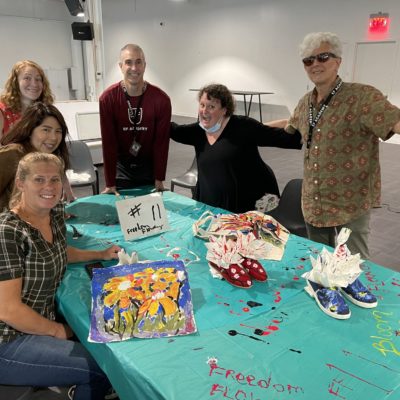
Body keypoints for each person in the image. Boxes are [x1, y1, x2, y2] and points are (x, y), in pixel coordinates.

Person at [286, 32, 400, 316]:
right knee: (322, 258)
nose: (315, 64)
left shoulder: (362, 97)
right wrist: (242, 124)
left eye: (323, 57)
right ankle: (324, 286)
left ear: (338, 61)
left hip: (351, 199)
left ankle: (351, 286)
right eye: (308, 60)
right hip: (315, 198)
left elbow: (394, 121)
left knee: (354, 259)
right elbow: (289, 127)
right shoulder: (305, 103)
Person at [0, 152, 121, 399]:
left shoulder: (53, 213)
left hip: (36, 324)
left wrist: (101, 253)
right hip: (9, 340)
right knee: (102, 367)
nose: (49, 187)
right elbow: (8, 310)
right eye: (39, 179)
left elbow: (59, 250)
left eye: (55, 180)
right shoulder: (8, 231)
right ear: (21, 182)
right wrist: (59, 330)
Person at [170, 83, 302, 213]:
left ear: (224, 109)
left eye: (211, 106)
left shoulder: (243, 126)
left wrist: (308, 130)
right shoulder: (198, 131)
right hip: (213, 200)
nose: (204, 111)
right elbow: (174, 130)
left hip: (251, 200)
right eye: (202, 105)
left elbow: (280, 137)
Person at [99, 43, 172, 194]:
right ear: (120, 66)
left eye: (138, 62)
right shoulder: (108, 99)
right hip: (121, 167)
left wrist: (159, 178)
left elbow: (161, 143)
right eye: (128, 62)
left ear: (145, 65)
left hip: (148, 167)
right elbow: (109, 143)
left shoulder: (161, 99)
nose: (134, 68)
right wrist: (109, 182)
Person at [0, 102, 74, 211]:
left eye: (58, 131)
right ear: (30, 130)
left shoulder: (51, 159)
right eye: (46, 130)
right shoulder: (13, 153)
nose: (53, 137)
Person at [0, 60, 54, 140]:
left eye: (38, 79)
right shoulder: (2, 111)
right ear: (15, 82)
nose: (34, 84)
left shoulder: (46, 112)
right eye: (27, 78)